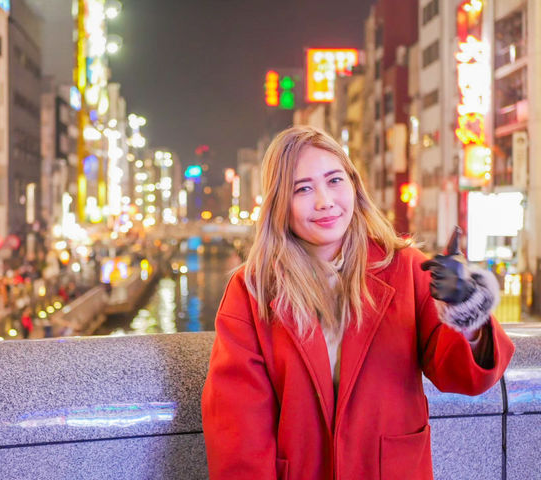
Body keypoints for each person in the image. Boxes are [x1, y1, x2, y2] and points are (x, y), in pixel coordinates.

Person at [201, 126, 515, 480]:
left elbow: (465, 378)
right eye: (302, 188)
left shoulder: (404, 266)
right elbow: (238, 425)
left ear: (354, 184)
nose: (324, 200)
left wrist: (465, 309)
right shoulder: (253, 288)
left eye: (335, 180)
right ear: (278, 204)